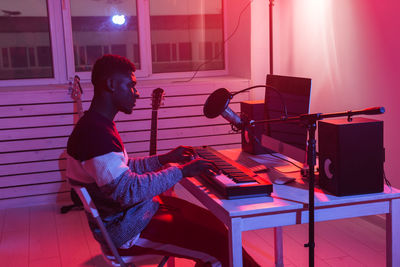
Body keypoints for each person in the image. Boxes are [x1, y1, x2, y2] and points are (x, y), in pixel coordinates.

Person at [66, 54, 259, 266]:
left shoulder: (97, 125)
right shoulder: (95, 134)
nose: (137, 93)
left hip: (137, 214)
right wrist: (182, 171)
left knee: (216, 226)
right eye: (131, 85)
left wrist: (164, 159)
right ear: (111, 85)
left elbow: (125, 169)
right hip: (128, 233)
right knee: (222, 245)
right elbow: (128, 191)